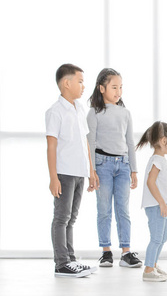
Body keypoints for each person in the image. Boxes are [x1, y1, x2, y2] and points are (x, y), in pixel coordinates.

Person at [46, 63, 98, 277]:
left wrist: (91, 172)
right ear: (66, 83)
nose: (84, 86)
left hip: (79, 172)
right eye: (80, 81)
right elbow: (51, 145)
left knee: (71, 218)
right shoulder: (55, 112)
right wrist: (53, 177)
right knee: (61, 217)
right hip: (64, 173)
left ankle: (71, 260)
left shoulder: (79, 109)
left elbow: (86, 143)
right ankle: (61, 263)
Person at [87, 68, 142, 268]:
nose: (118, 91)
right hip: (102, 165)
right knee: (103, 210)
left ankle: (126, 253)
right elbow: (90, 143)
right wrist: (91, 171)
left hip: (123, 166)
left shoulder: (125, 113)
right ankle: (106, 251)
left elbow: (130, 142)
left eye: (120, 87)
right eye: (114, 87)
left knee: (123, 209)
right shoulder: (94, 113)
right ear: (102, 88)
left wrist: (134, 169)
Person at [136, 121, 167, 282]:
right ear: (163, 140)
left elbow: (159, 184)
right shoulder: (157, 160)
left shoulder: (159, 159)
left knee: (163, 237)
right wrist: (161, 203)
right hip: (155, 206)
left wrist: (165, 202)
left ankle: (152, 264)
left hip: (159, 205)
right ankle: (148, 270)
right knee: (156, 238)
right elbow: (150, 182)